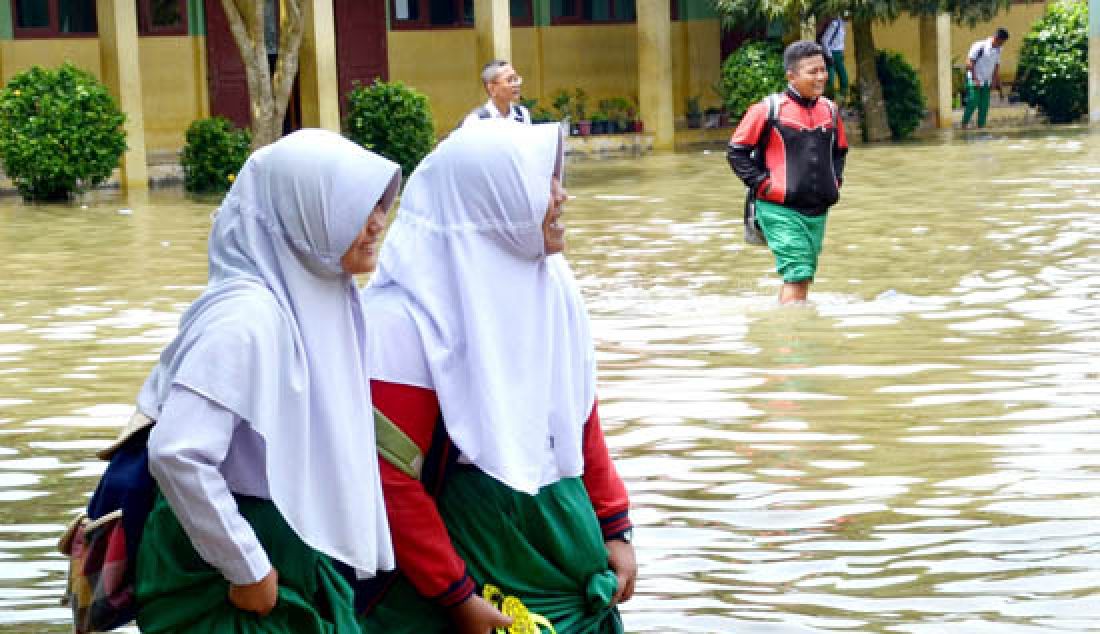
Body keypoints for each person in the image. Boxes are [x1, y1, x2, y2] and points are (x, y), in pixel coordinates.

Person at [359, 120, 636, 634]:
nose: (562, 197)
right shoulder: (401, 320)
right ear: (494, 198)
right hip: (468, 565)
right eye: (543, 183)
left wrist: (615, 526)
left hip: (564, 555)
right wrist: (457, 594)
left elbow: (579, 418)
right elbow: (391, 480)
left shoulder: (554, 286)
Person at [132, 129, 400, 633]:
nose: (377, 223)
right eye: (353, 208)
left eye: (380, 205)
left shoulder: (320, 296)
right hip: (230, 570)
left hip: (283, 550)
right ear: (303, 216)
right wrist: (246, 565)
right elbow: (178, 452)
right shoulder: (247, 315)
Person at [726, 41, 848, 304]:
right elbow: (736, 152)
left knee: (804, 274)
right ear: (791, 76)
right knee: (798, 271)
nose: (821, 77)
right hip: (778, 209)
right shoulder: (767, 110)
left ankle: (791, 330)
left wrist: (836, 182)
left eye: (823, 70)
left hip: (818, 209)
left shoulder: (830, 110)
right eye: (812, 72)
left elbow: (840, 151)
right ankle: (795, 340)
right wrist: (763, 185)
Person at [962, 27, 1010, 129]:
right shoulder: (980, 46)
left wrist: (995, 82)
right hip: (974, 78)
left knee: (984, 106)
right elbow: (969, 62)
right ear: (996, 38)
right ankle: (964, 125)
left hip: (986, 81)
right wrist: (975, 79)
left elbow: (996, 66)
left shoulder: (999, 49)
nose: (1002, 44)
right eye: (1002, 42)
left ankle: (981, 127)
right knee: (973, 101)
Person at [462, 59, 531, 126]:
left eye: (516, 79)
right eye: (509, 80)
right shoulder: (477, 120)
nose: (516, 84)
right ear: (492, 88)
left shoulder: (522, 113)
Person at [819, 15, 848, 104]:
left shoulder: (843, 24)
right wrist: (829, 56)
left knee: (844, 79)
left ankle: (841, 102)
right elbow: (824, 40)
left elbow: (840, 41)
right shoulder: (835, 24)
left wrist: (842, 52)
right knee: (829, 81)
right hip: (831, 53)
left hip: (838, 54)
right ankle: (827, 103)